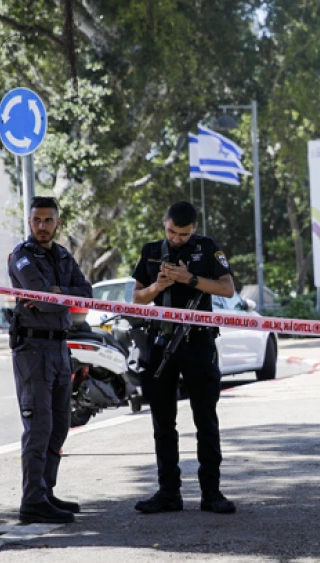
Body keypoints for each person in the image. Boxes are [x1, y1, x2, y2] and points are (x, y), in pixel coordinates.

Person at [131, 201, 237, 515]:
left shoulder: (207, 248)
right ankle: (168, 492)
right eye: (172, 232)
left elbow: (227, 288)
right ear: (164, 223)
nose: (176, 238)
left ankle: (211, 492)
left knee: (205, 419)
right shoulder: (151, 249)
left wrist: (189, 279)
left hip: (198, 342)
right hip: (161, 342)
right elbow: (137, 297)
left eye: (183, 234)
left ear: (194, 229)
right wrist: (157, 287)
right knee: (163, 422)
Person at [8, 196, 92, 524]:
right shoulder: (21, 256)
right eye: (36, 220)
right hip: (33, 351)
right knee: (39, 427)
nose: (42, 226)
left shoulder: (61, 255)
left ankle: (46, 491)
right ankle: (32, 501)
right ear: (29, 222)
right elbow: (41, 301)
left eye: (48, 220)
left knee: (59, 426)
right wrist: (56, 296)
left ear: (58, 223)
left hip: (60, 348)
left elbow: (85, 293)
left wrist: (52, 292)